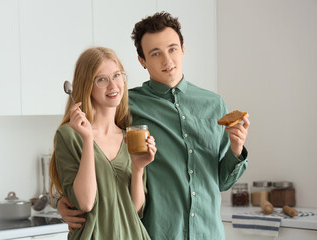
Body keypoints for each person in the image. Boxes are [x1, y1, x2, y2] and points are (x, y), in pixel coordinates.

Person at [56, 12, 251, 240]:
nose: (167, 60)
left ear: (183, 49)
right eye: (155, 53)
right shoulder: (126, 104)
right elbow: (97, 151)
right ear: (142, 60)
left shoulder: (213, 104)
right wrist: (62, 201)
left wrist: (236, 150)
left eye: (172, 49)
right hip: (158, 233)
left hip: (209, 233)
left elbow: (223, 182)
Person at [49, 46, 156, 239]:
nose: (113, 85)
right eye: (102, 80)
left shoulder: (129, 136)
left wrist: (138, 167)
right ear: (87, 85)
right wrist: (88, 139)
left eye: (116, 75)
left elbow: (135, 210)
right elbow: (86, 202)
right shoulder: (69, 135)